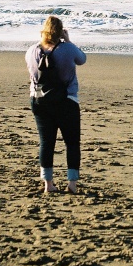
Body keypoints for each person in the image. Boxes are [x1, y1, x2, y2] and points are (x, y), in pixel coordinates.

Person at [25, 15, 87, 194]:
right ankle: (72, 185)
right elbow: (82, 59)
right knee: (72, 142)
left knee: (46, 142)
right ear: (60, 32)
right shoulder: (68, 49)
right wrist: (68, 41)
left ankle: (48, 184)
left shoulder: (31, 51)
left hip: (39, 100)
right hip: (66, 100)